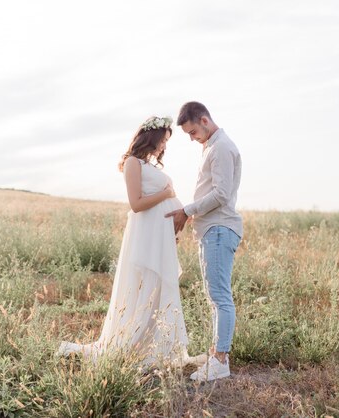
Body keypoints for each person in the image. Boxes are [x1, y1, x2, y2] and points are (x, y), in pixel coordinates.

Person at [57, 116, 189, 367]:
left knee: (159, 288)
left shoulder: (151, 166)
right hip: (145, 238)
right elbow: (136, 204)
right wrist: (167, 193)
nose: (164, 146)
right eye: (162, 140)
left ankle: (156, 345)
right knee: (143, 288)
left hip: (158, 237)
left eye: (166, 142)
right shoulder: (132, 163)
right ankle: (132, 342)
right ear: (150, 137)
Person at [166, 101, 243, 382]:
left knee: (220, 297)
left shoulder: (221, 147)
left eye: (192, 131)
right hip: (213, 230)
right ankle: (216, 354)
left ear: (205, 120)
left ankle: (220, 361)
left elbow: (222, 195)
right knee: (215, 298)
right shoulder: (211, 146)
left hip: (220, 229)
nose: (191, 137)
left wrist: (187, 210)